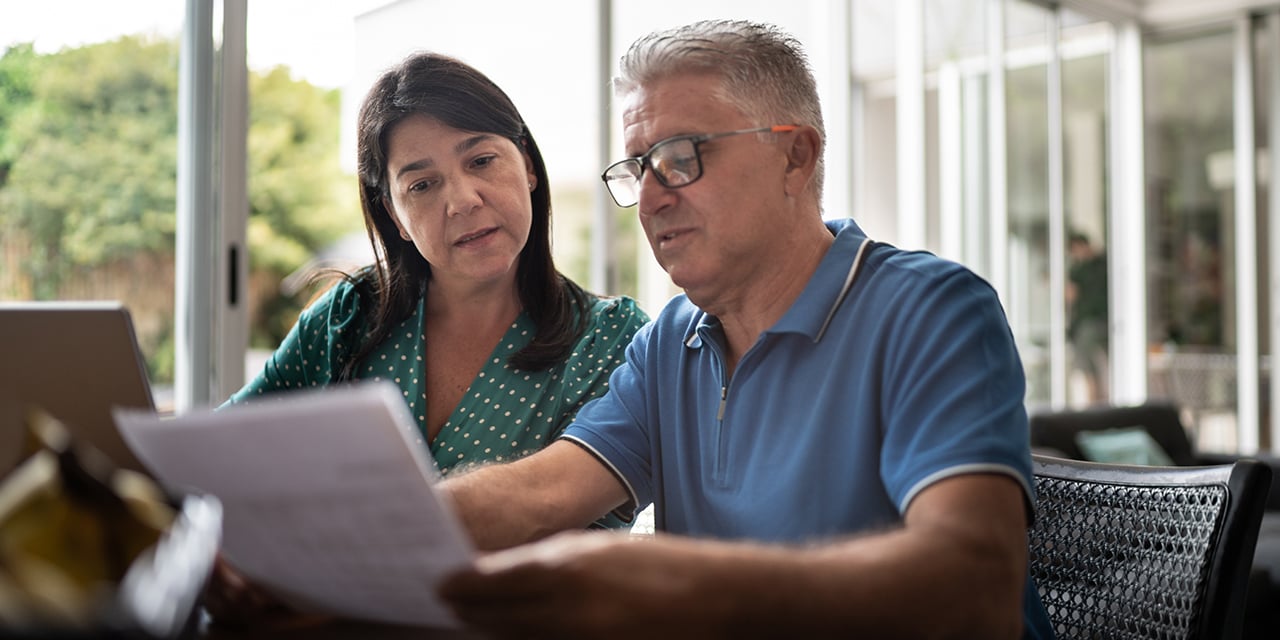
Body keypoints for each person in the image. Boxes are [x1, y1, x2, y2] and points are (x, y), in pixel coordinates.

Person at [436, 19, 1053, 639]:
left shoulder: (931, 311)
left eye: (680, 159)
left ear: (795, 156)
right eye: (638, 169)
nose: (649, 201)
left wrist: (673, 586)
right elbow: (542, 493)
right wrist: (372, 532)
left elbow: (975, 590)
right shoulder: (670, 340)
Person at [209, 51, 648, 621]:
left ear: (530, 168)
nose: (463, 199)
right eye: (421, 184)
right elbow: (223, 451)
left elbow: (568, 537)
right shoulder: (349, 318)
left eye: (483, 160)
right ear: (393, 213)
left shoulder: (614, 342)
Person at [1066, 232, 1108, 404]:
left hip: (1088, 323)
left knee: (1087, 368)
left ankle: (1093, 404)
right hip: (1105, 322)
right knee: (1098, 366)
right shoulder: (1105, 264)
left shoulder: (1079, 270)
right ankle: (1100, 401)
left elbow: (1070, 296)